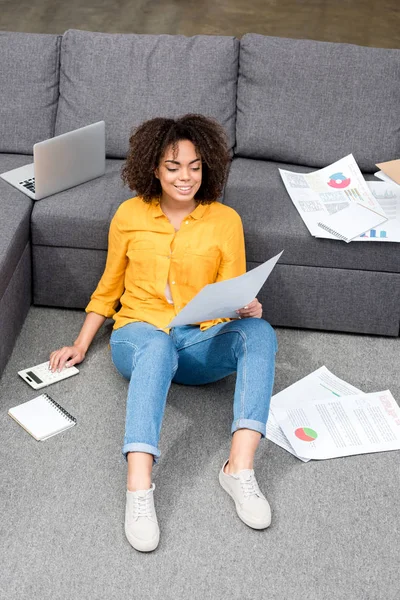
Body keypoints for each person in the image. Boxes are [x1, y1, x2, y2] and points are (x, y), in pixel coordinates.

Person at [49, 114, 278, 553]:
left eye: (194, 166)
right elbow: (109, 287)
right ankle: (139, 490)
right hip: (138, 336)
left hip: (195, 339)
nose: (185, 177)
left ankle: (239, 471)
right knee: (155, 347)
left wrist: (244, 308)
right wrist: (80, 343)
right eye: (173, 167)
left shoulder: (225, 220)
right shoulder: (129, 214)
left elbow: (232, 290)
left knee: (261, 333)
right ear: (154, 168)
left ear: (206, 167)